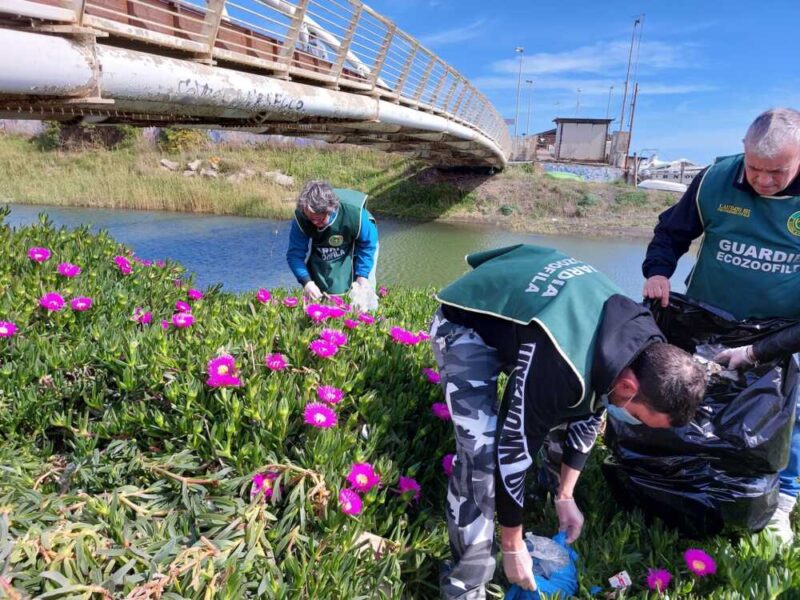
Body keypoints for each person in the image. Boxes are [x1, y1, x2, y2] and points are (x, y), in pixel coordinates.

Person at [431, 244, 707, 599]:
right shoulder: (561, 366)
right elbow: (512, 446)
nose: (630, 419)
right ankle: (465, 583)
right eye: (637, 416)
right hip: (466, 323)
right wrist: (512, 545)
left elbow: (594, 407)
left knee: (572, 404)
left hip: (533, 324)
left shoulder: (646, 347)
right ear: (629, 386)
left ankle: (542, 493)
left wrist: (566, 495)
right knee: (481, 454)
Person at [641, 107, 800, 543]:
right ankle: (695, 483)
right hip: (711, 321)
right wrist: (658, 271)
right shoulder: (715, 180)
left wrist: (757, 352)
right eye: (755, 169)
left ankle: (780, 500)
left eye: (778, 172)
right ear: (743, 152)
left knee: (789, 414)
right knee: (700, 402)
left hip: (786, 328)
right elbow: (671, 233)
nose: (764, 181)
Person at [286, 180, 378, 299]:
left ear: (330, 209)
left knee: (363, 289)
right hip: (324, 244)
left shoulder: (355, 213)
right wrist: (307, 282)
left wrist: (362, 275)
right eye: (310, 219)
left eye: (319, 219)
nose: (314, 223)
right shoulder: (302, 216)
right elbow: (294, 255)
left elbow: (368, 245)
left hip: (361, 242)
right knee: (325, 288)